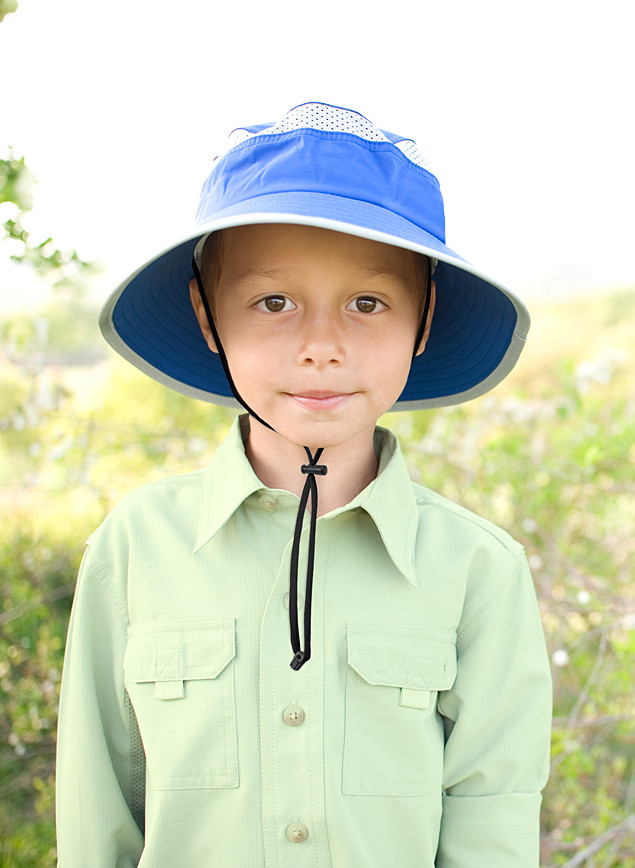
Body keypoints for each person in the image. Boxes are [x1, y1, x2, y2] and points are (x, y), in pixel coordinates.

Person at [55, 101, 552, 867]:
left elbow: (494, 822)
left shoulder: (479, 569)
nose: (321, 346)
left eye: (367, 303)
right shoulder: (136, 545)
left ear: (423, 322)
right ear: (207, 316)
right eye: (274, 302)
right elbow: (98, 816)